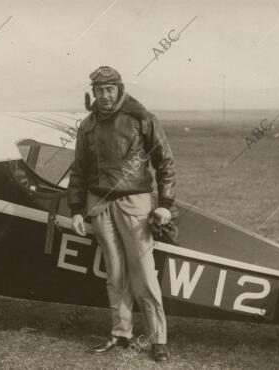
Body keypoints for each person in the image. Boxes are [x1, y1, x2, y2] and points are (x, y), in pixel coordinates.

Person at [67, 66, 176, 363]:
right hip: (99, 203)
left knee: (143, 274)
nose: (104, 95)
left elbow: (165, 162)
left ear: (119, 89)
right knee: (114, 273)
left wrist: (165, 203)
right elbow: (78, 171)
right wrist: (76, 209)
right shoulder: (87, 126)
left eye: (109, 89)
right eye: (99, 90)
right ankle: (121, 333)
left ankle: (158, 339)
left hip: (135, 203)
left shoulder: (142, 118)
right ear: (94, 92)